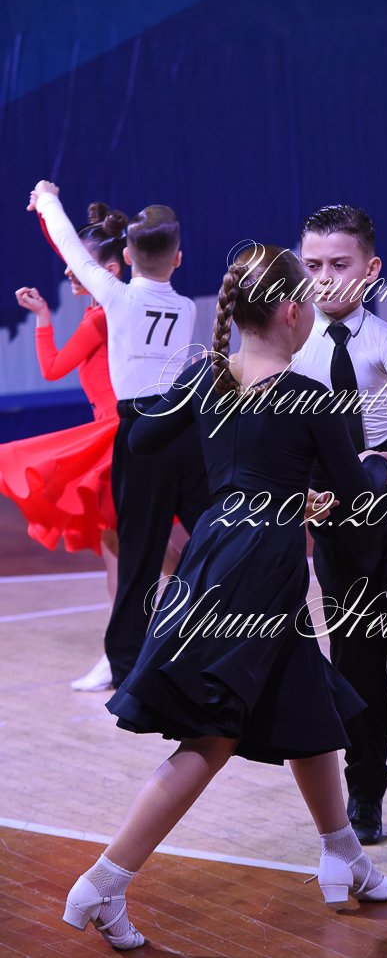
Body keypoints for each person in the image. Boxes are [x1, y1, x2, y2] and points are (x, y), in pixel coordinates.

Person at [62, 246, 387, 950]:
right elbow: (355, 493)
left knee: (307, 701)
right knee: (211, 735)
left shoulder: (206, 376)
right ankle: (104, 880)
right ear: (291, 312)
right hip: (260, 567)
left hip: (219, 550)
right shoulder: (308, 396)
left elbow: (143, 436)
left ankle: (343, 854)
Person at [293, 205, 387, 868]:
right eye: (312, 265)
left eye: (339, 264)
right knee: (353, 662)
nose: (324, 278)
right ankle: (363, 796)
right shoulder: (292, 341)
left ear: (371, 269)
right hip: (334, 516)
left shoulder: (386, 340)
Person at [29, 180, 211, 689]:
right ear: (179, 259)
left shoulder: (117, 298)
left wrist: (47, 199)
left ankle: (130, 672)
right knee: (211, 534)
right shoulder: (189, 308)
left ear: (126, 257)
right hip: (184, 432)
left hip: (141, 435)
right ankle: (230, 630)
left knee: (138, 556)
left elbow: (70, 247)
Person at [0, 203, 124, 690]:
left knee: (127, 550)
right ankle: (126, 650)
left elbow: (52, 369)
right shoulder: (110, 309)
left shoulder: (101, 318)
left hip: (114, 438)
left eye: (80, 265)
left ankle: (123, 652)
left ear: (109, 269)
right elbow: (70, 249)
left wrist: (42, 317)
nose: (70, 271)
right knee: (128, 547)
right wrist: (45, 213)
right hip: (123, 433)